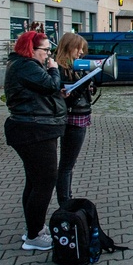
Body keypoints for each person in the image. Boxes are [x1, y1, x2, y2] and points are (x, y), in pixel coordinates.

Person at [4, 31, 66, 251]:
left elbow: (42, 91)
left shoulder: (23, 65)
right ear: (31, 49)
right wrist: (54, 70)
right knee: (45, 181)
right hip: (34, 130)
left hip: (33, 128)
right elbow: (49, 85)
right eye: (45, 50)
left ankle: (34, 227)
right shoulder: (26, 66)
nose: (48, 54)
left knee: (34, 181)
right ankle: (34, 235)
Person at [54, 32, 94, 208]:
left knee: (68, 164)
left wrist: (88, 87)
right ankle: (65, 202)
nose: (81, 52)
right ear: (68, 48)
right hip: (72, 119)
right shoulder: (60, 70)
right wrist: (83, 84)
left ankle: (66, 198)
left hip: (79, 116)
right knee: (67, 164)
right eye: (78, 49)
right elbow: (67, 99)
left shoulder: (73, 67)